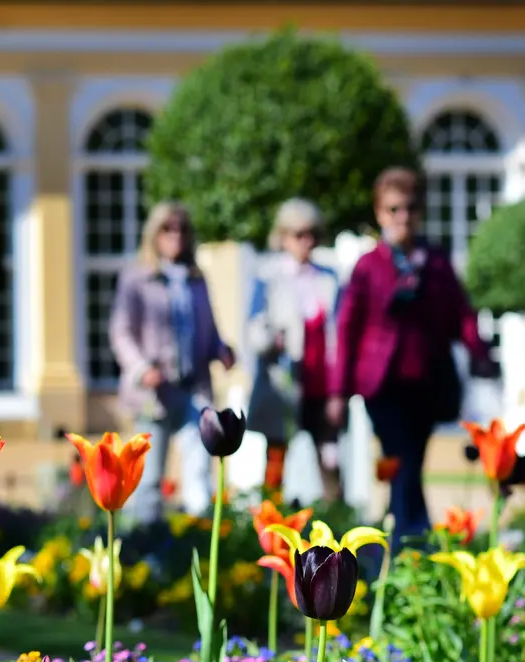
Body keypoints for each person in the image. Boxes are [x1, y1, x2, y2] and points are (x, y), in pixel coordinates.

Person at [326, 168, 497, 548]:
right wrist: (338, 393)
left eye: (411, 208)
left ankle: (400, 529)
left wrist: (480, 353)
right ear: (380, 213)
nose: (403, 217)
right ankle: (411, 532)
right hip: (382, 385)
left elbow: (460, 315)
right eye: (394, 209)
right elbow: (347, 330)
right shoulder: (369, 266)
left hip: (426, 381)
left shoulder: (434, 263)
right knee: (400, 457)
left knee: (412, 460)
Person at [109, 200, 236, 525]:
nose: (175, 235)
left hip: (194, 387)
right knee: (149, 476)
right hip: (154, 393)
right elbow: (121, 332)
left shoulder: (196, 278)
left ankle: (196, 537)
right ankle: (145, 545)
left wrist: (221, 351)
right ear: (154, 233)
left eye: (181, 229)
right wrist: (140, 369)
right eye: (167, 228)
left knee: (198, 471)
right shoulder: (137, 277)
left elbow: (209, 329)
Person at [245, 198, 342, 503]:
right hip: (283, 384)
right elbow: (253, 328)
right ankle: (268, 523)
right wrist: (272, 339)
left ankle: (337, 528)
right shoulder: (269, 277)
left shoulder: (329, 278)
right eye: (298, 234)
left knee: (330, 459)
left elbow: (339, 331)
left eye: (311, 234)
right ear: (284, 236)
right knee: (276, 457)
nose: (306, 241)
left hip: (321, 386)